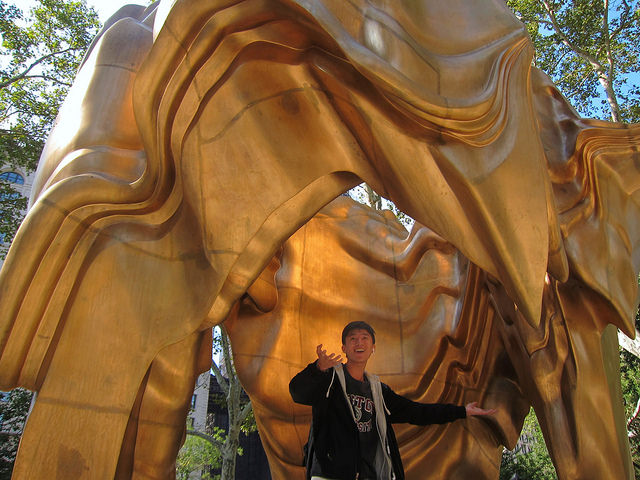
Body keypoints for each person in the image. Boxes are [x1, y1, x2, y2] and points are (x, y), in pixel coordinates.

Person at [289, 321, 496, 480]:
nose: (359, 343)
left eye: (364, 338)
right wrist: (317, 369)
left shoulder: (379, 391)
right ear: (344, 347)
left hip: (371, 474)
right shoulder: (330, 380)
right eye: (352, 339)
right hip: (331, 473)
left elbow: (416, 412)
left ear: (373, 348)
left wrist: (462, 411)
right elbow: (298, 393)